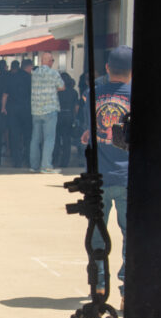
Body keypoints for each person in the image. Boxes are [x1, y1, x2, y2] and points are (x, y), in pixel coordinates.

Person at [82, 46, 132, 297]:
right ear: (132, 72)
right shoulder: (136, 96)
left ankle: (99, 284)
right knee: (131, 233)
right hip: (127, 177)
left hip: (99, 177)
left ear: (108, 68)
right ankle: (127, 288)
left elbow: (90, 129)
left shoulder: (93, 94)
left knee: (97, 232)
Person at [29, 51, 66, 173]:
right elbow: (62, 87)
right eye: (52, 60)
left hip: (35, 109)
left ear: (41, 61)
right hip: (49, 109)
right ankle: (45, 166)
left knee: (35, 139)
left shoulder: (34, 74)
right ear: (50, 62)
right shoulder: (54, 73)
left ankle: (33, 165)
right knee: (49, 139)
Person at [3, 59, 33, 168]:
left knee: (14, 136)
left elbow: (5, 95)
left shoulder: (12, 77)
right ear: (29, 67)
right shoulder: (30, 78)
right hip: (27, 110)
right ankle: (28, 159)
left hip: (13, 110)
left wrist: (3, 107)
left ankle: (17, 161)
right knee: (28, 136)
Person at [55, 70, 79, 168]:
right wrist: (74, 117)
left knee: (56, 139)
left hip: (58, 115)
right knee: (66, 140)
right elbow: (76, 107)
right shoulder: (74, 92)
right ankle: (65, 161)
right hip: (68, 115)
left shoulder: (56, 91)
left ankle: (55, 158)